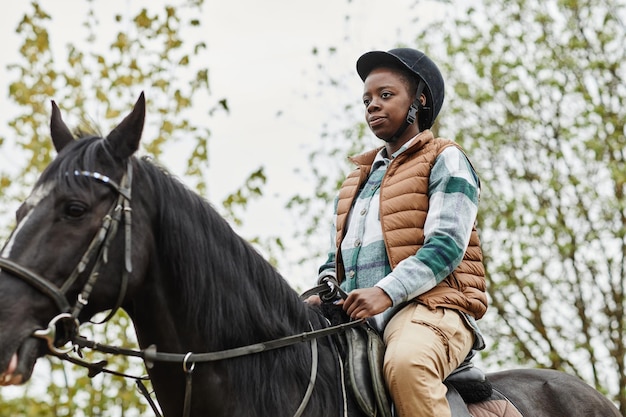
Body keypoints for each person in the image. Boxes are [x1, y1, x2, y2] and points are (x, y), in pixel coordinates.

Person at [313, 48, 488, 417]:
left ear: (419, 100)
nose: (372, 106)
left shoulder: (446, 158)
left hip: (434, 308)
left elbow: (445, 247)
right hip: (363, 318)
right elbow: (335, 259)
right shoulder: (355, 180)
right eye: (367, 100)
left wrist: (385, 292)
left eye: (385, 95)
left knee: (407, 364)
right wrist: (324, 291)